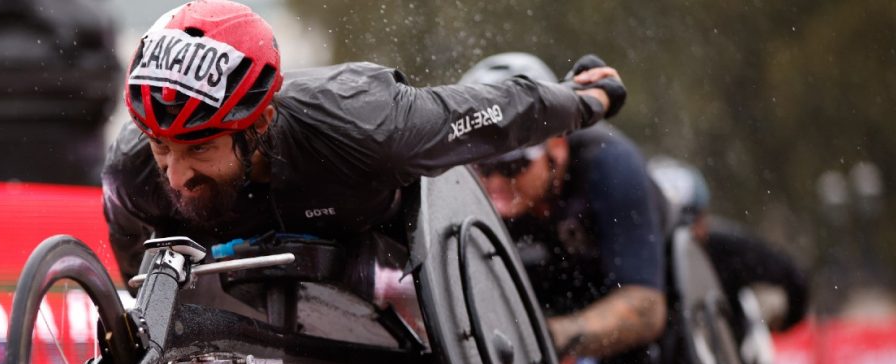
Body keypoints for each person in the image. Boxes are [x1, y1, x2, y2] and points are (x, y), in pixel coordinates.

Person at [101, 0, 628, 294]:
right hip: (239, 262)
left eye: (199, 150)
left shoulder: (366, 122)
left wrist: (583, 101)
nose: (175, 175)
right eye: (162, 148)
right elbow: (132, 271)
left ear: (259, 118)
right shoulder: (130, 172)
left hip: (369, 230)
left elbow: (490, 113)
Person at [460, 52, 671, 364]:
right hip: (548, 280)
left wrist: (548, 337)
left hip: (628, 279)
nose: (494, 186)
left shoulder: (610, 164)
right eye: (482, 168)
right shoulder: (490, 194)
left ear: (555, 146)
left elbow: (646, 309)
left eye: (510, 167)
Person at [647, 156, 809, 337]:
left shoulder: (727, 248)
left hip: (729, 346)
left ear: (703, 220)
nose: (677, 243)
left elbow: (793, 276)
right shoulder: (641, 261)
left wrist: (783, 324)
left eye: (687, 225)